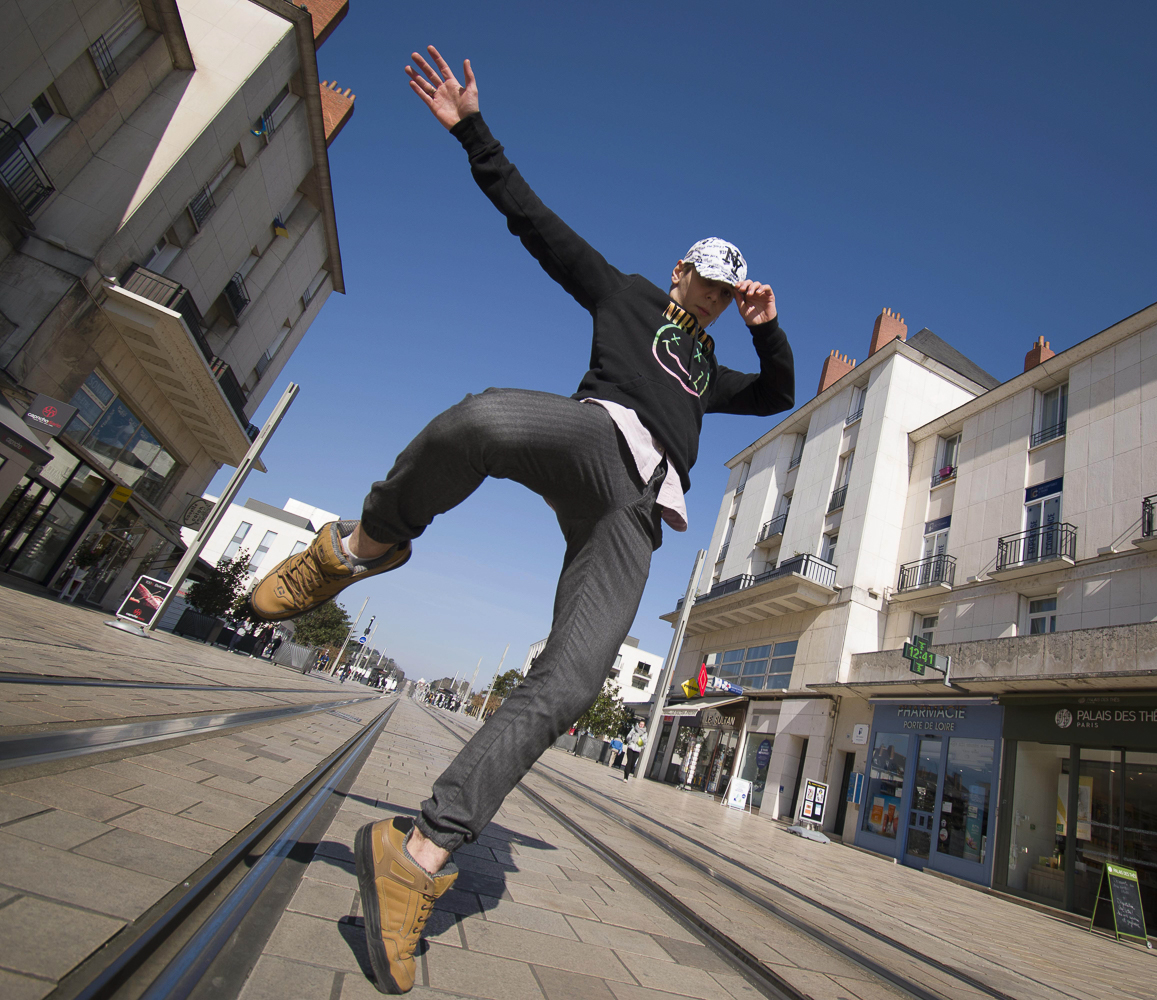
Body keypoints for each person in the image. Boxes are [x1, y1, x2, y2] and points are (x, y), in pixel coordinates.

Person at [247, 45, 793, 996]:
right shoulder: (627, 293)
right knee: (484, 421)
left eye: (723, 292)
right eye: (705, 283)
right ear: (680, 273)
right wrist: (473, 130)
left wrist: (765, 323)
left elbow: (780, 390)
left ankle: (418, 855)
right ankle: (361, 548)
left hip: (638, 514)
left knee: (571, 681)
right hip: (590, 438)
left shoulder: (710, 369)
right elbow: (535, 221)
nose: (710, 299)